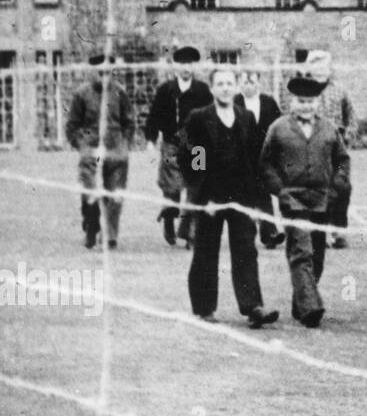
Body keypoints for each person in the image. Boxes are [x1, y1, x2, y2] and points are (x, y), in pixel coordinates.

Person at [181, 66, 280, 328]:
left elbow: (251, 159)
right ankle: (204, 308)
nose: (225, 88)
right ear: (212, 88)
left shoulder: (245, 116)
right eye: (220, 83)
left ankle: (252, 307)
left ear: (235, 87)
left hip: (240, 196)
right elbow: (194, 159)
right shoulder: (199, 118)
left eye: (229, 83)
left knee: (246, 249)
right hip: (210, 197)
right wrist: (204, 197)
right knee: (206, 251)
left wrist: (254, 198)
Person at [261, 76, 350, 328]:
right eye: (301, 101)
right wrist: (279, 190)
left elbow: (342, 159)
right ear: (292, 102)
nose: (306, 106)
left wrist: (336, 186)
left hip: (323, 199)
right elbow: (266, 163)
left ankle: (300, 301)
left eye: (311, 102)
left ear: (317, 103)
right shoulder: (279, 128)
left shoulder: (329, 128)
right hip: (293, 198)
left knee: (318, 256)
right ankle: (311, 307)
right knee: (302, 250)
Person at [144, 46, 212, 247]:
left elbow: (210, 117)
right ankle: (168, 220)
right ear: (176, 67)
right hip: (172, 144)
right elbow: (154, 116)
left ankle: (191, 233)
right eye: (182, 64)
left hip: (196, 147)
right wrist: (150, 138)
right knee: (172, 187)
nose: (186, 68)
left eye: (190, 64)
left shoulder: (202, 90)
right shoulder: (166, 90)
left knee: (196, 187)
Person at [65, 53, 133, 250]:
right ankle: (91, 224)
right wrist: (82, 145)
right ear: (94, 72)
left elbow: (129, 122)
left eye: (107, 72)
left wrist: (124, 143)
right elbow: (72, 125)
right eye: (100, 72)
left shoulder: (120, 93)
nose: (104, 76)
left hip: (115, 149)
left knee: (115, 193)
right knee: (90, 190)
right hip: (91, 149)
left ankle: (109, 235)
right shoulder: (82, 94)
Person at [303, 50, 353, 249]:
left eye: (323, 64)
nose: (320, 69)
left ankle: (338, 231)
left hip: (336, 150)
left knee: (342, 188)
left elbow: (352, 119)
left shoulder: (340, 90)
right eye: (315, 64)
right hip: (310, 148)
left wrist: (348, 138)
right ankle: (318, 233)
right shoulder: (302, 91)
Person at [234, 67, 284, 249]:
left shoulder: (269, 103)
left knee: (263, 194)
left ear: (259, 84)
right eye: (245, 82)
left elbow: (280, 126)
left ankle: (269, 233)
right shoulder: (234, 102)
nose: (248, 86)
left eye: (252, 82)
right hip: (241, 159)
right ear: (239, 84)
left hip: (265, 158)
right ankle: (255, 233)